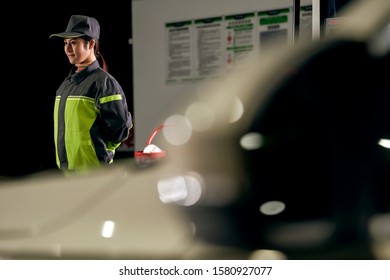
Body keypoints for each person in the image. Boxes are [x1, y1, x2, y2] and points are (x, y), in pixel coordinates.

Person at [50, 15, 133, 173]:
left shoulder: (104, 83)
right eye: (65, 43)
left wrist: (101, 151)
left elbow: (121, 127)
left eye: (73, 43)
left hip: (93, 173)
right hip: (66, 173)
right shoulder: (65, 85)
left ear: (91, 44)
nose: (67, 49)